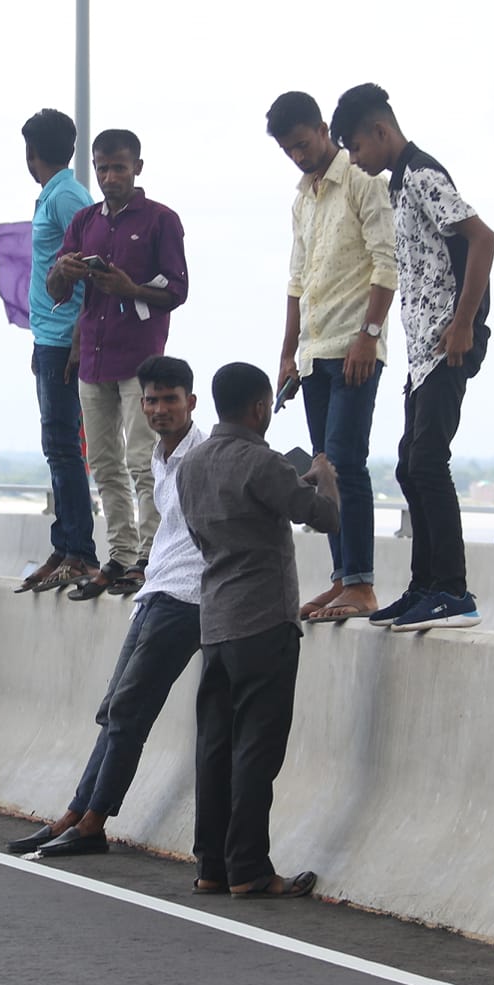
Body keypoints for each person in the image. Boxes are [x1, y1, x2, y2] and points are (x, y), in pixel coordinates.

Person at [6, 355, 205, 858]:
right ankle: (76, 814)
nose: (159, 409)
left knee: (129, 713)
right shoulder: (161, 455)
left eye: (170, 400)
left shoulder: (202, 459)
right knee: (113, 710)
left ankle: (94, 821)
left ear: (191, 402)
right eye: (152, 401)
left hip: (187, 598)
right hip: (155, 591)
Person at [331, 83, 494, 633]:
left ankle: (452, 591)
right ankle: (425, 587)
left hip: (449, 344)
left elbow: (483, 238)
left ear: (381, 131)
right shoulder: (398, 186)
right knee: (408, 464)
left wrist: (464, 323)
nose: (355, 159)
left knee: (427, 461)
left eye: (357, 147)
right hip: (423, 353)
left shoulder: (423, 175)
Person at [174, 361, 339, 899]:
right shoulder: (265, 463)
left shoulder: (191, 465)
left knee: (214, 747)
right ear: (260, 406)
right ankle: (248, 867)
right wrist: (325, 478)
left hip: (215, 622)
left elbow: (203, 535)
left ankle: (211, 866)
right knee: (256, 750)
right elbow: (324, 517)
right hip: (265, 621)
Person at [268, 91, 398, 623]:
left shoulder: (364, 181)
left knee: (346, 463)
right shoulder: (302, 199)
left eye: (303, 144)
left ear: (324, 129)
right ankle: (342, 578)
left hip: (354, 346)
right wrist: (287, 354)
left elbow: (386, 264)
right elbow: (297, 281)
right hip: (314, 351)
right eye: (289, 150)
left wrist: (369, 335)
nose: (298, 156)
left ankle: (362, 583)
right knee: (323, 470)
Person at [46, 129, 189, 600]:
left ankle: (150, 557)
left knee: (142, 461)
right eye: (103, 168)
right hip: (93, 356)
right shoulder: (85, 221)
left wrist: (131, 289)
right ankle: (121, 554)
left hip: (139, 357)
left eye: (119, 168)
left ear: (137, 168)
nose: (110, 177)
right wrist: (62, 271)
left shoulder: (160, 220)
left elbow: (177, 290)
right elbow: (55, 290)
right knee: (104, 463)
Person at [12, 107, 101, 595]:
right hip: (48, 336)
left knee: (65, 447)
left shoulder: (67, 197)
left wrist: (77, 336)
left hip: (65, 339)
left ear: (31, 152)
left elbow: (92, 268)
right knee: (58, 446)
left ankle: (79, 551)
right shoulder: (56, 194)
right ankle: (65, 544)